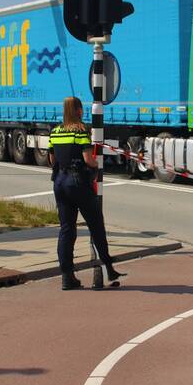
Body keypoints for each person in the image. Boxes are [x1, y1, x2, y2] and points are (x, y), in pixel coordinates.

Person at [48, 97, 124, 290]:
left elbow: (52, 159)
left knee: (67, 229)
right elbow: (88, 159)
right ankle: (109, 268)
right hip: (78, 183)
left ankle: (67, 277)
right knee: (96, 225)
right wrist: (96, 165)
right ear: (78, 111)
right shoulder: (80, 131)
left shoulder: (55, 131)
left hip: (60, 182)